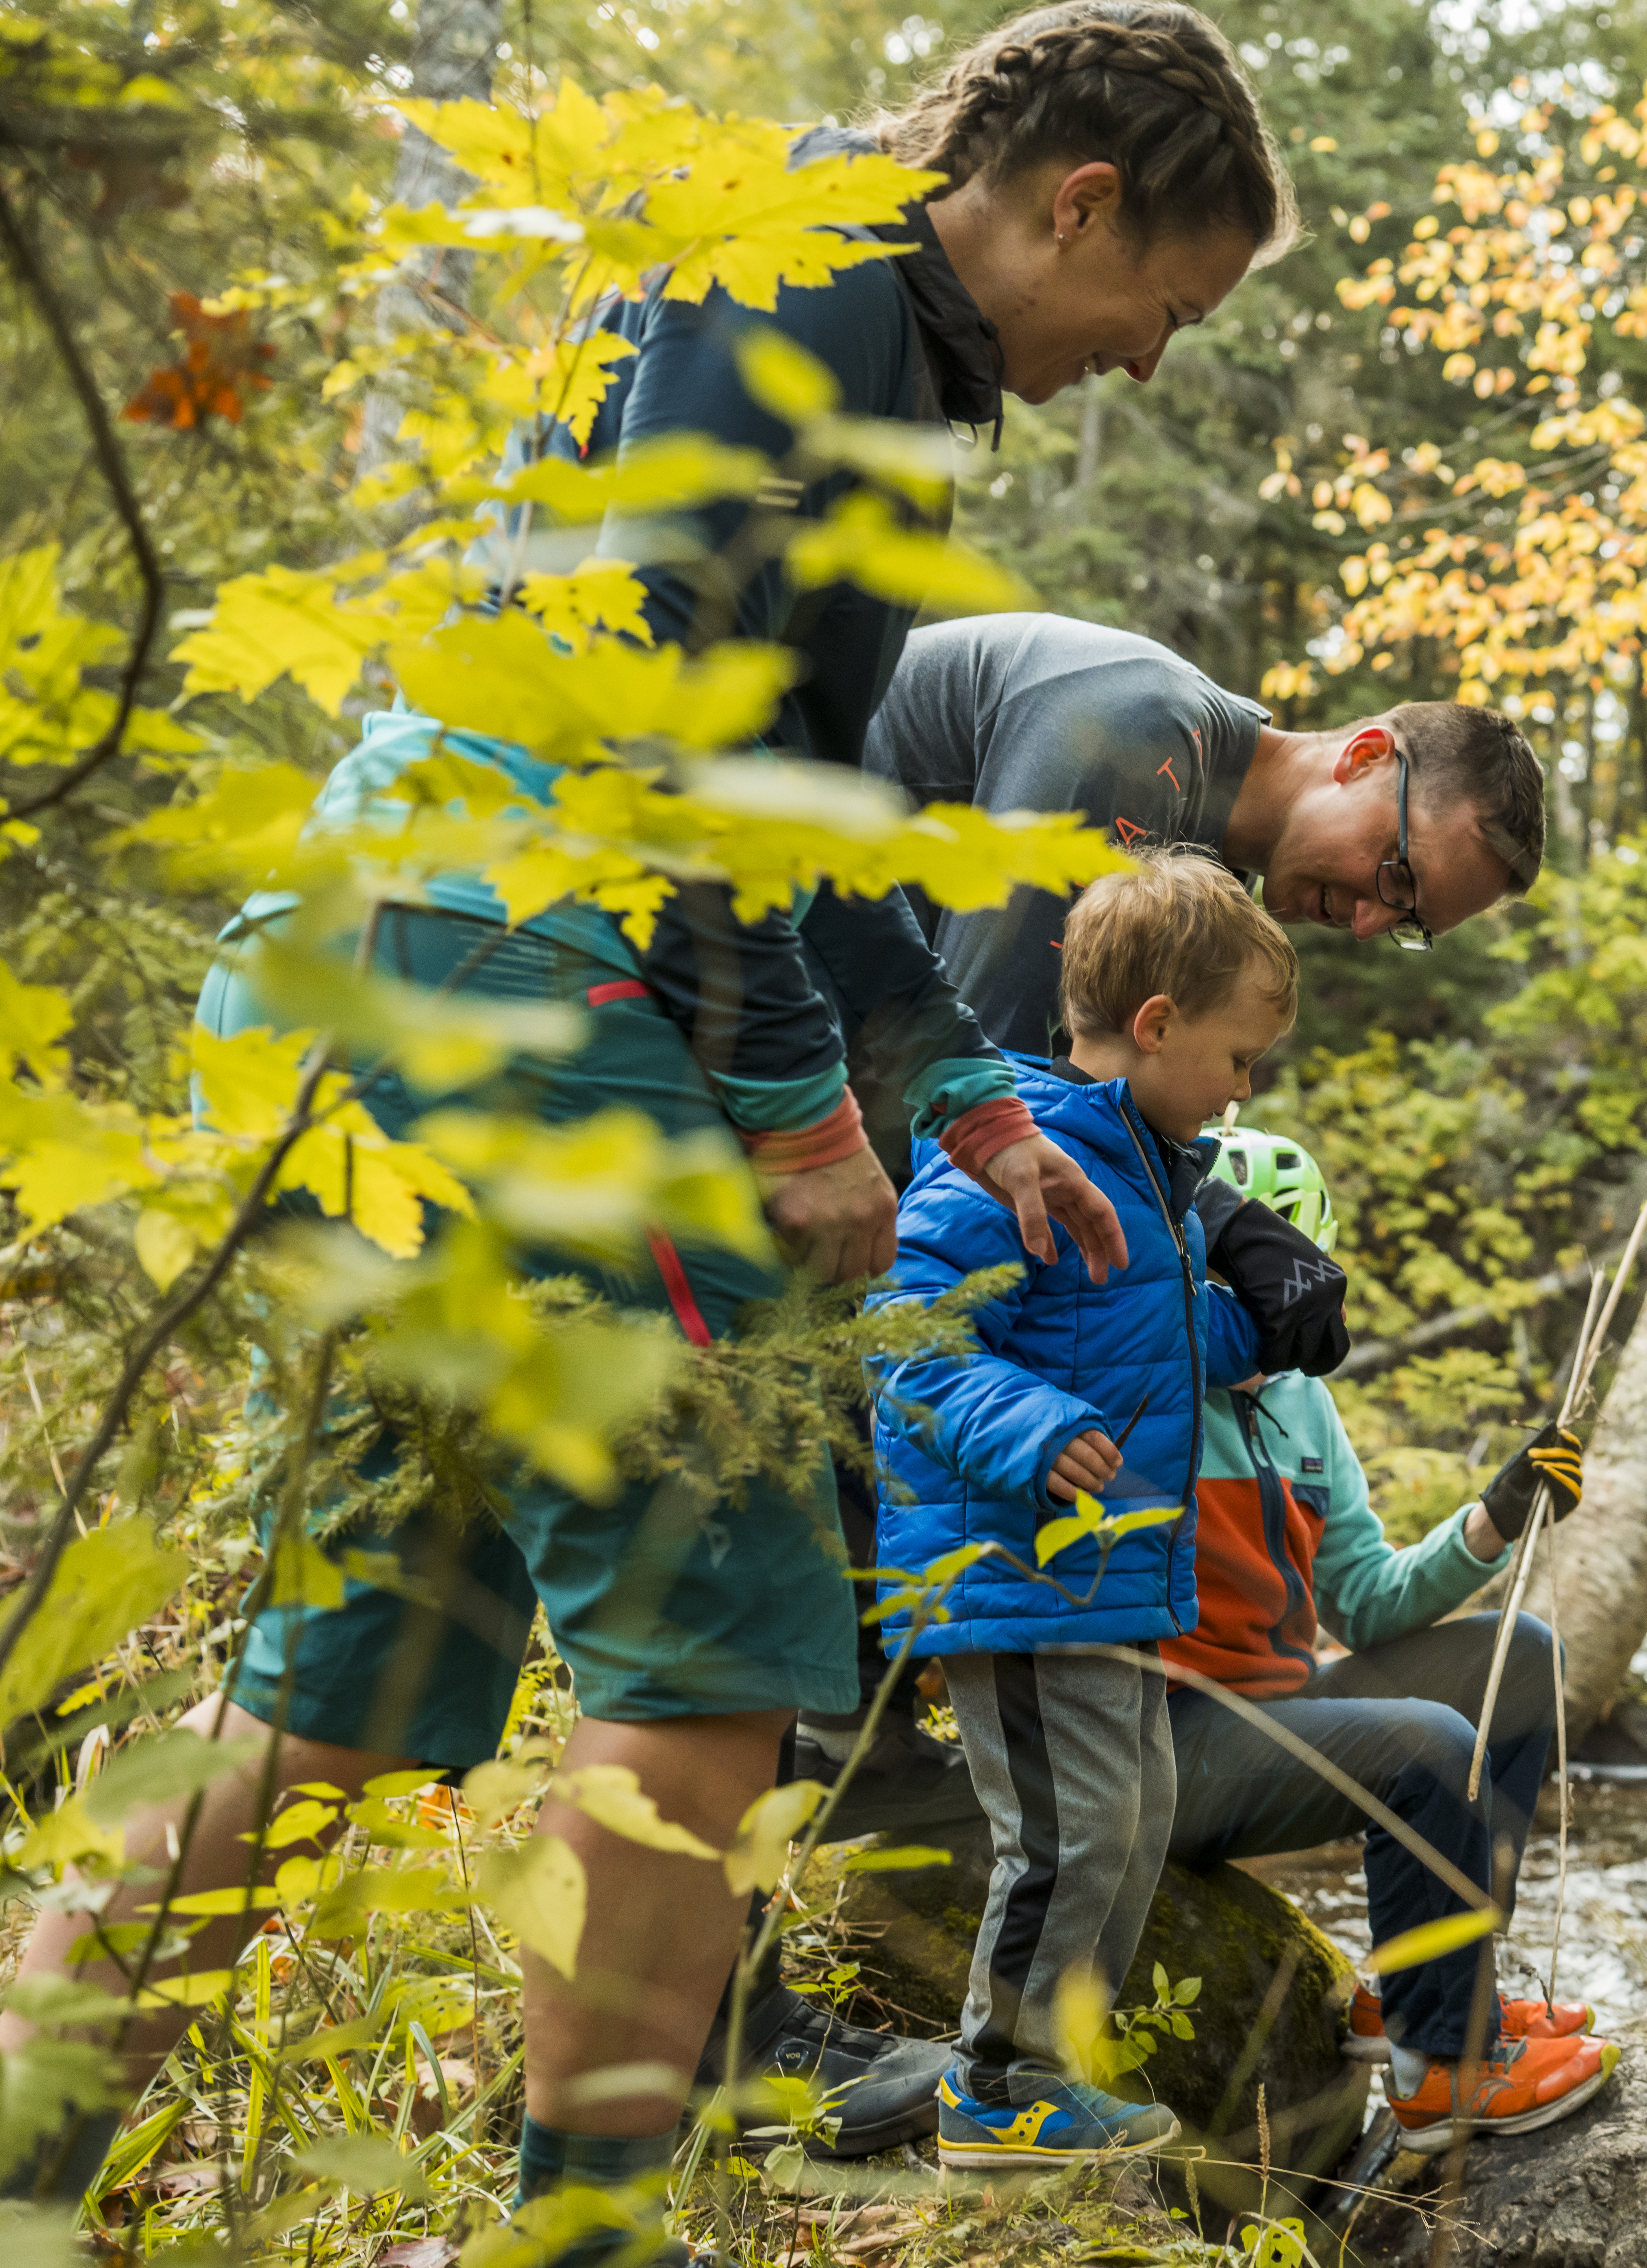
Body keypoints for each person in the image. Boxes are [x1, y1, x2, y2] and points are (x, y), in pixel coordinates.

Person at [0, 2, 1301, 2240]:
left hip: (396, 941)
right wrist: (804, 1115)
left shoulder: (824, 304)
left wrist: (965, 1100)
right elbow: (661, 730)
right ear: (1081, 203)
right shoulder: (807, 281)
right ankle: (590, 2229)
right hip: (534, 958)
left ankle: (18, 2176)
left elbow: (789, 808)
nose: (1150, 361)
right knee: (720, 1648)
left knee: (345, 1701)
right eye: (1163, 308)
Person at [866, 854, 1341, 2170]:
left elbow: (1144, 1334)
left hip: (1115, 1575)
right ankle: (992, 2082)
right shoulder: (1008, 1157)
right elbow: (909, 1335)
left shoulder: (1145, 1175)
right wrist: (1035, 1426)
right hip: (1012, 1573)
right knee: (1065, 1831)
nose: (1247, 1089)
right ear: (1157, 1027)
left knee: (1130, 1816)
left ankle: (1049, 2067)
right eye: (1241, 1058)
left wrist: (1265, 1319)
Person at [1164, 1127, 1615, 2151]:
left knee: (1521, 1658)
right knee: (1427, 1744)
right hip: (1165, 1741)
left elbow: (1364, 1601)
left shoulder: (1305, 1406)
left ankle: (1424, 1991)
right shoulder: (1144, 1384)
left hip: (1272, 1712)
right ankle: (1441, 2070)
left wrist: (1496, 1517)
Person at [862, 614, 1548, 1057]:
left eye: (1408, 923)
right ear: (1364, 758)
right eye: (1399, 876)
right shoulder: (1141, 732)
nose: (1368, 926)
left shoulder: (1205, 879)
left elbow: (1098, 1087)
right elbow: (977, 1064)